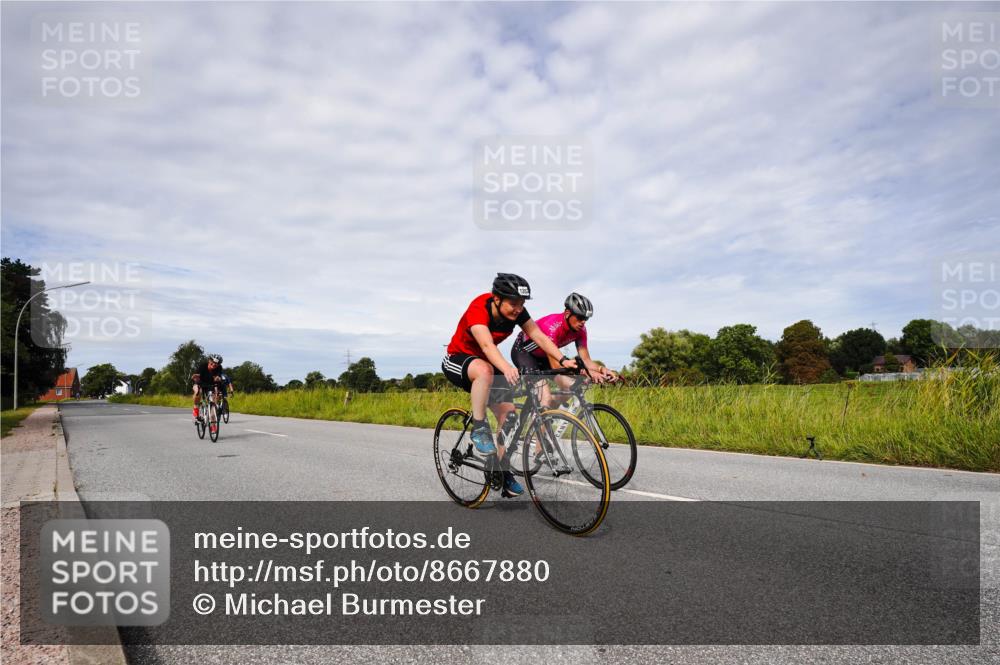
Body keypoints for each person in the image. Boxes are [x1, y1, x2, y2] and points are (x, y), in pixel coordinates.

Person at [442, 273, 577, 496]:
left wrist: (563, 360)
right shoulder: (479, 307)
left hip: (484, 362)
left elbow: (540, 337)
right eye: (513, 303)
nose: (518, 309)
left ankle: (501, 471)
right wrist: (506, 367)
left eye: (522, 304)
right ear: (497, 298)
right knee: (485, 370)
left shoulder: (517, 312)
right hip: (458, 359)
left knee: (510, 415)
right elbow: (486, 346)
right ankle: (479, 428)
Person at [511, 292, 619, 409]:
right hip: (525, 354)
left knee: (571, 387)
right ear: (567, 313)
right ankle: (541, 413)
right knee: (545, 398)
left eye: (586, 318)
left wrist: (602, 369)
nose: (583, 322)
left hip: (546, 356)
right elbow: (556, 366)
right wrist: (586, 372)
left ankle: (547, 414)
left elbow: (586, 360)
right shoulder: (552, 328)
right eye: (580, 317)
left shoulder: (581, 330)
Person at [191, 354, 225, 432]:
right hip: (199, 383)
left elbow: (217, 378)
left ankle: (213, 425)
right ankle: (195, 410)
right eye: (212, 363)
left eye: (216, 364)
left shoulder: (219, 368)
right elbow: (195, 377)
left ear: (218, 365)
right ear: (209, 361)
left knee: (213, 405)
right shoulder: (203, 366)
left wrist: (218, 378)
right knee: (198, 392)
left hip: (210, 385)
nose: (214, 365)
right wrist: (195, 377)